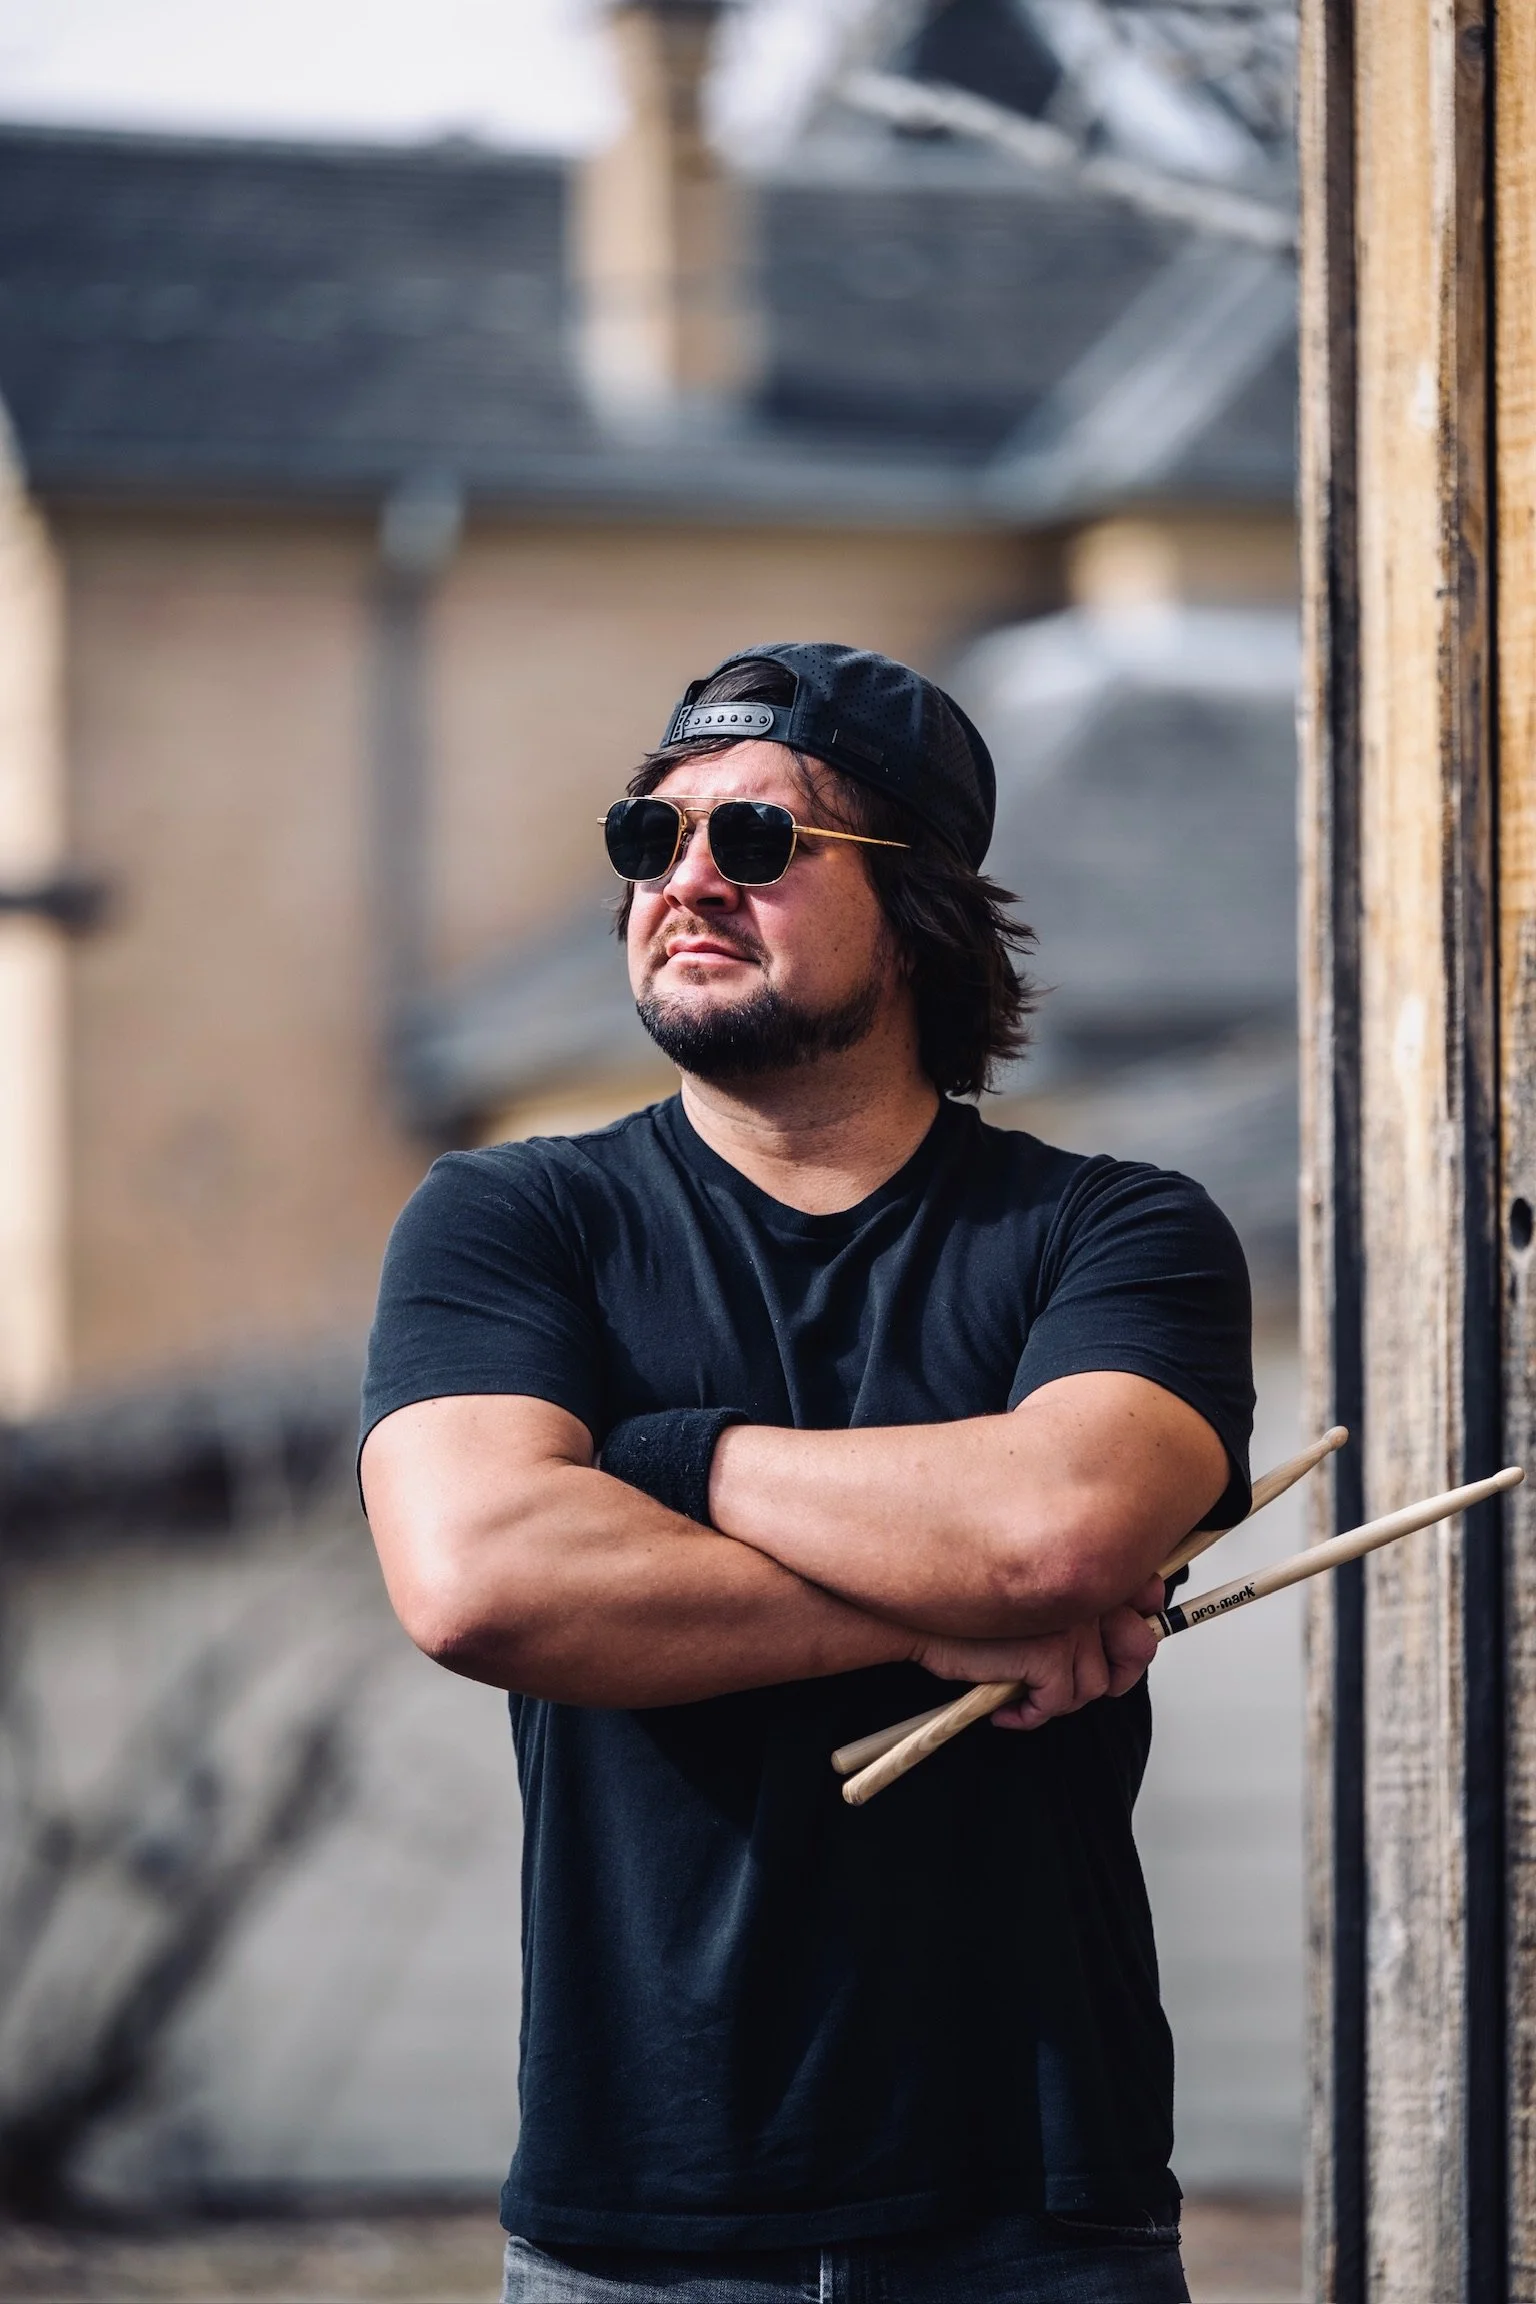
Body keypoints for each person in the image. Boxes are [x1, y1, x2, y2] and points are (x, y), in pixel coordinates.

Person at [360, 643, 1254, 2304]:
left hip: (1037, 2216)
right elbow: (480, 1577)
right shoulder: (511, 1223)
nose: (684, 882)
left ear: (917, 908)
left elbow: (1059, 1529)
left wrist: (663, 1456)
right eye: (651, 837)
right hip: (635, 2228)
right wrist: (954, 1606)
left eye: (757, 843)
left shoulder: (1113, 1232)